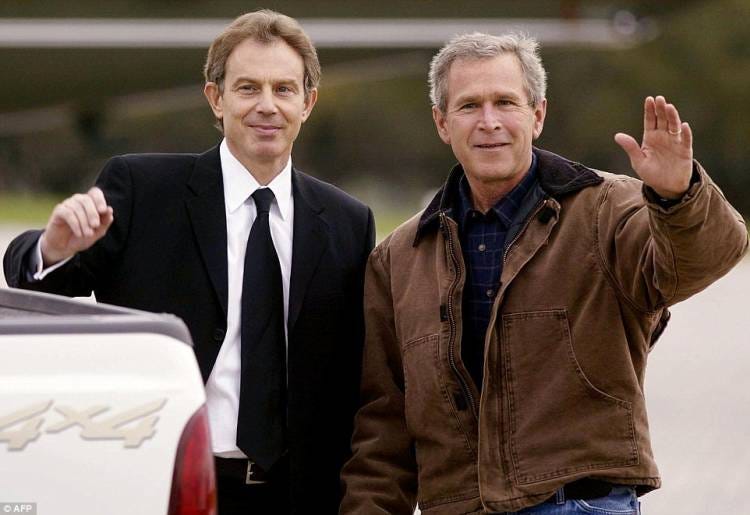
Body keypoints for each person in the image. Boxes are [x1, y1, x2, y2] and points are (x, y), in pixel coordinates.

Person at [339, 32, 748, 514]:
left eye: (505, 102)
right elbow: (382, 427)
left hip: (579, 505)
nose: (489, 121)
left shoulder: (608, 209)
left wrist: (678, 197)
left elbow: (707, 258)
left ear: (537, 115)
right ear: (442, 123)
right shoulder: (398, 259)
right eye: (469, 106)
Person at [4, 10, 375, 515]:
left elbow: (355, 378)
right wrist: (53, 248)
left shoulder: (348, 223)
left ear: (307, 103)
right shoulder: (142, 190)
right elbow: (35, 283)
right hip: (166, 487)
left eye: (284, 89)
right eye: (248, 88)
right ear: (216, 98)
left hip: (298, 496)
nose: (267, 105)